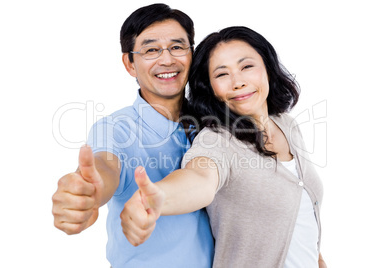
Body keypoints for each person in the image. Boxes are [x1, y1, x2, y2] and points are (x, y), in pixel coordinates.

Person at [121, 26, 327, 267]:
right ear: (211, 89)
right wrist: (158, 198)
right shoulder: (216, 140)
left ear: (268, 69)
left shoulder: (287, 125)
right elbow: (200, 179)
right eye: (221, 75)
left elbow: (304, 226)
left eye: (246, 67)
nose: (237, 82)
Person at [51, 4, 214, 267]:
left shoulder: (211, 123)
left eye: (177, 47)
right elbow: (105, 165)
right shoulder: (115, 129)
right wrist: (90, 191)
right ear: (129, 63)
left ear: (192, 55)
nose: (167, 60)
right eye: (151, 50)